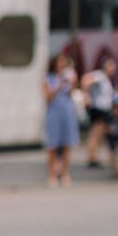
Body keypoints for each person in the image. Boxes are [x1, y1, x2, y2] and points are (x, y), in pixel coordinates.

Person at [43, 51, 80, 186]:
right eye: (60, 62)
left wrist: (72, 83)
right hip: (54, 112)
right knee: (52, 145)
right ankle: (52, 174)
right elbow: (48, 98)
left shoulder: (68, 76)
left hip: (67, 111)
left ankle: (65, 174)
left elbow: (72, 93)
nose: (62, 65)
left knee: (67, 145)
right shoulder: (48, 78)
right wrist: (59, 86)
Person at [82, 54, 117, 171]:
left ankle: (94, 156)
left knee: (99, 134)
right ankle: (91, 157)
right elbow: (86, 80)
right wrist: (86, 96)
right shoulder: (100, 75)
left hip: (104, 109)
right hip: (98, 109)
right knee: (95, 133)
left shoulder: (106, 78)